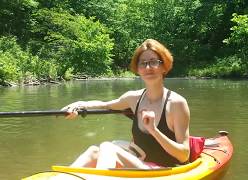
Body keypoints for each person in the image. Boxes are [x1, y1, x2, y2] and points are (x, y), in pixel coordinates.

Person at [61, 39, 190, 169]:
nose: (148, 67)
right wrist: (80, 104)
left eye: (154, 62)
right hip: (141, 163)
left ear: (164, 66)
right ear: (138, 70)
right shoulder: (133, 98)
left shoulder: (176, 104)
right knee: (94, 151)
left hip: (165, 171)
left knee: (107, 147)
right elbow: (106, 105)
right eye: (143, 63)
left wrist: (154, 130)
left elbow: (184, 155)